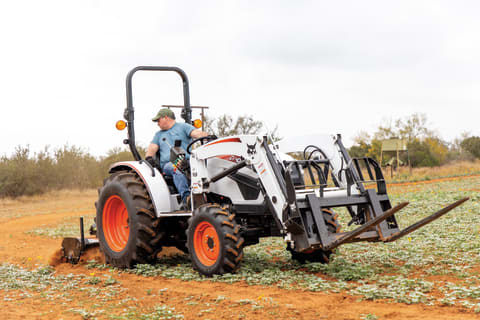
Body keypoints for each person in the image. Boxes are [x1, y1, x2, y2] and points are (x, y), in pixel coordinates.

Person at [145, 108, 208, 206]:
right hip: (168, 164)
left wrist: (207, 136)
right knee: (176, 167)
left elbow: (196, 133)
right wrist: (149, 157)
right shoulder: (158, 135)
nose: (157, 123)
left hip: (188, 160)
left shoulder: (183, 127)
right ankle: (187, 198)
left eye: (158, 120)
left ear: (166, 117)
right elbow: (152, 148)